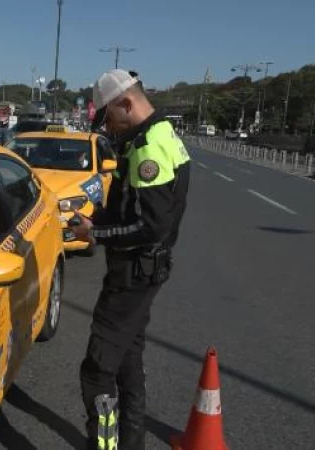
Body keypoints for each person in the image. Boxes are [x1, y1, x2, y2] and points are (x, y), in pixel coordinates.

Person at [71, 69, 191, 450]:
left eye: (108, 116)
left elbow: (150, 226)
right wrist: (99, 218)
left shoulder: (148, 148)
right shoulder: (158, 135)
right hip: (146, 270)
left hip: (134, 273)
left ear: (126, 102)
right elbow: (129, 209)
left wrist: (95, 234)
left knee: (97, 370)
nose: (108, 125)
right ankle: (131, 442)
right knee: (128, 359)